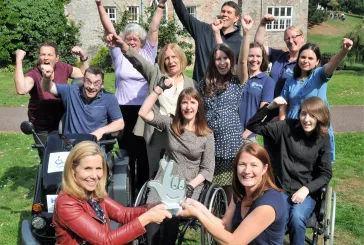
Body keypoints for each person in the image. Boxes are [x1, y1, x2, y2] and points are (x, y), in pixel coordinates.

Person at [96, 0, 165, 191]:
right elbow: (109, 29)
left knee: (143, 154)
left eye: (135, 39)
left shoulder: (148, 55)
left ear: (142, 42)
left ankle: (141, 192)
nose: (132, 41)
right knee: (126, 154)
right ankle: (124, 189)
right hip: (122, 111)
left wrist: (161, 5)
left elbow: (154, 28)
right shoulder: (119, 54)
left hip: (144, 111)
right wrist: (100, 6)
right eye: (128, 38)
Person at [107, 32, 197, 178]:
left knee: (179, 174)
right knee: (155, 175)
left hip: (182, 134)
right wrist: (123, 45)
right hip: (157, 134)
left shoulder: (192, 84)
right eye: (166, 58)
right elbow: (138, 61)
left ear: (181, 59)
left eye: (174, 57)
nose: (171, 61)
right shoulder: (156, 74)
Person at [246, 96, 333, 245]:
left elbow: (326, 173)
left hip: (306, 192)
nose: (306, 119)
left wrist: (306, 189)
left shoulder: (323, 139)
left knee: (297, 219)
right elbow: (253, 125)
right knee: (277, 218)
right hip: (281, 188)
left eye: (312, 116)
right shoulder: (286, 127)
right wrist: (270, 107)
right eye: (303, 113)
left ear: (320, 117)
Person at [138, 81, 215, 245]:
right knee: (153, 209)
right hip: (166, 177)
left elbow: (207, 169)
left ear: (198, 107)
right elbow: (143, 113)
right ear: (179, 106)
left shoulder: (206, 135)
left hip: (190, 181)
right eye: (184, 102)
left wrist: (191, 185)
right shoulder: (171, 124)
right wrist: (158, 89)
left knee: (173, 213)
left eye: (192, 102)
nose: (188, 107)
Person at [53, 141, 172, 245]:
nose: (94, 176)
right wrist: (147, 218)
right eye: (87, 168)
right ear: (73, 170)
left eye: (98, 168)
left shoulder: (91, 191)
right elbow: (105, 241)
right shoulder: (67, 203)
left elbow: (123, 214)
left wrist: (150, 208)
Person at [178, 143, 286, 245]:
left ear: (264, 169)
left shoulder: (269, 203)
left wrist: (198, 215)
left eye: (254, 165)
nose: (247, 170)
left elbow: (234, 242)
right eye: (242, 164)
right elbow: (225, 226)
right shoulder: (240, 194)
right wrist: (200, 208)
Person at [279, 38, 354, 162]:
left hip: (316, 128)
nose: (305, 61)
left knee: (316, 165)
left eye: (310, 58)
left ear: (317, 61)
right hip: (294, 128)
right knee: (295, 165)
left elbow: (332, 64)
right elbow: (283, 104)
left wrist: (344, 51)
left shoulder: (319, 75)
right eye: (303, 57)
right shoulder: (290, 80)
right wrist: (281, 126)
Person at [14, 43, 88, 159]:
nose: (46, 58)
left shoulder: (63, 68)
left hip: (63, 122)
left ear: (56, 58)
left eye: (49, 55)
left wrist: (83, 57)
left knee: (66, 156)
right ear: (39, 57)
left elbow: (84, 75)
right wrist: (18, 61)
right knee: (47, 157)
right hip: (42, 125)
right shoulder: (34, 74)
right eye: (43, 54)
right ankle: (45, 176)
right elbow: (21, 89)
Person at [198, 42, 244, 202]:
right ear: (213, 61)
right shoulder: (204, 84)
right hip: (210, 142)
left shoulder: (236, 81)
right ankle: (215, 219)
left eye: (226, 58)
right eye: (218, 59)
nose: (222, 62)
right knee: (212, 187)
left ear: (231, 60)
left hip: (230, 144)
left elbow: (244, 62)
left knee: (231, 187)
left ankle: (231, 222)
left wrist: (245, 34)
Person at [42, 66, 124, 140]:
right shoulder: (70, 91)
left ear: (102, 84)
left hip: (95, 145)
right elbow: (48, 87)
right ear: (83, 80)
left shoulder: (109, 98)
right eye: (88, 82)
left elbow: (119, 123)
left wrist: (101, 131)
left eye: (96, 83)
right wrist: (46, 78)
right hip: (71, 145)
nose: (91, 87)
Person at [171, 0, 242, 82]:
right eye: (223, 11)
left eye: (229, 12)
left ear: (236, 18)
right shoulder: (204, 31)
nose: (225, 14)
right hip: (199, 89)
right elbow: (184, 15)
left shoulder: (240, 43)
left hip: (223, 91)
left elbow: (239, 70)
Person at [236, 16, 275, 143]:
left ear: (263, 58)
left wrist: (246, 133)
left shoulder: (267, 81)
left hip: (248, 136)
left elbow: (263, 112)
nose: (254, 59)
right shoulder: (239, 77)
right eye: (251, 56)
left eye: (258, 56)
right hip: (230, 133)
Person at [254, 14, 305, 98]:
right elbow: (258, 46)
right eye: (287, 38)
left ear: (302, 37)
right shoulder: (279, 56)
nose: (290, 41)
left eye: (294, 37)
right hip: (270, 104)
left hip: (288, 107)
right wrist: (262, 24)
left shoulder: (304, 63)